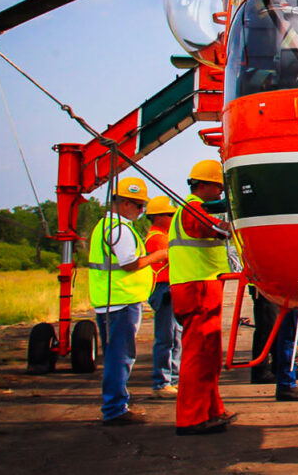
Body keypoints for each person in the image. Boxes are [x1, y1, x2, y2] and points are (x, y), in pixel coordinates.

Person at [87, 175, 165, 425]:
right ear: (124, 204)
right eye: (139, 206)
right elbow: (130, 263)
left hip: (110, 301)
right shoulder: (119, 229)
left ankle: (115, 405)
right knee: (120, 357)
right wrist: (159, 255)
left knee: (116, 356)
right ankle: (115, 409)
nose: (142, 211)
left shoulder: (104, 226)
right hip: (120, 303)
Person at [169, 159, 236, 435]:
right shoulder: (192, 209)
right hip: (197, 289)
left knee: (207, 354)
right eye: (218, 189)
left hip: (199, 287)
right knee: (198, 356)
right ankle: (191, 418)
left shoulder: (186, 210)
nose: (219, 194)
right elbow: (218, 230)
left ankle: (211, 410)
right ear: (205, 185)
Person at [142, 196, 181, 400]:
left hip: (168, 287)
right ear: (158, 217)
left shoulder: (162, 235)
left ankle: (172, 379)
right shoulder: (157, 238)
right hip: (164, 288)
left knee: (174, 336)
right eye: (170, 214)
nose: (173, 218)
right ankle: (163, 381)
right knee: (167, 337)